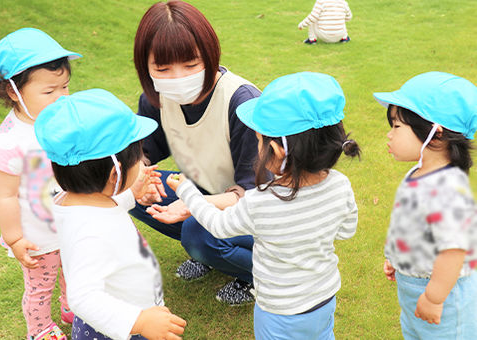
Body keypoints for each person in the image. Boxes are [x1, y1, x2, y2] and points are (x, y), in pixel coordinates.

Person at [167, 72, 360, 339]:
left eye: (259, 140)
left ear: (279, 151)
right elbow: (346, 231)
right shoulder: (340, 184)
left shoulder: (261, 202)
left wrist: (189, 193)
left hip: (280, 312)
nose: (257, 146)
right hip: (324, 299)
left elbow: (218, 226)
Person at [131, 0, 261, 305]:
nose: (177, 78)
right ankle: (213, 253)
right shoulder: (156, 98)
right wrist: (138, 181)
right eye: (163, 68)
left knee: (196, 231)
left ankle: (259, 275)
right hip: (205, 192)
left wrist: (192, 205)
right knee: (126, 187)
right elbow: (141, 154)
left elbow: (254, 197)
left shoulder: (242, 102)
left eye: (190, 65)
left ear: (210, 55)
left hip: (256, 209)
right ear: (146, 68)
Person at [34, 89, 187, 340]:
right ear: (114, 175)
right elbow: (83, 297)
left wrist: (131, 194)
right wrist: (138, 321)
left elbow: (106, 211)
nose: (142, 163)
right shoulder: (91, 232)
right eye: (139, 157)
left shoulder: (73, 200)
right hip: (118, 327)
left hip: (117, 314)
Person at [0, 27, 81, 340]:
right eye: (50, 91)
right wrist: (15, 239)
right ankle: (39, 329)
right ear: (14, 91)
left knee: (75, 271)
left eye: (65, 87)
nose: (62, 97)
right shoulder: (8, 142)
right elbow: (6, 197)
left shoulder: (61, 119)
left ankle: (72, 306)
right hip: (37, 236)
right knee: (40, 287)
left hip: (71, 219)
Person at [374, 71, 477, 339]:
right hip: (416, 288)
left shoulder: (447, 190)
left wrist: (433, 298)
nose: (389, 135)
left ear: (435, 134)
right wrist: (399, 258)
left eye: (397, 127)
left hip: (445, 298)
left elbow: (453, 251)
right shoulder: (420, 172)